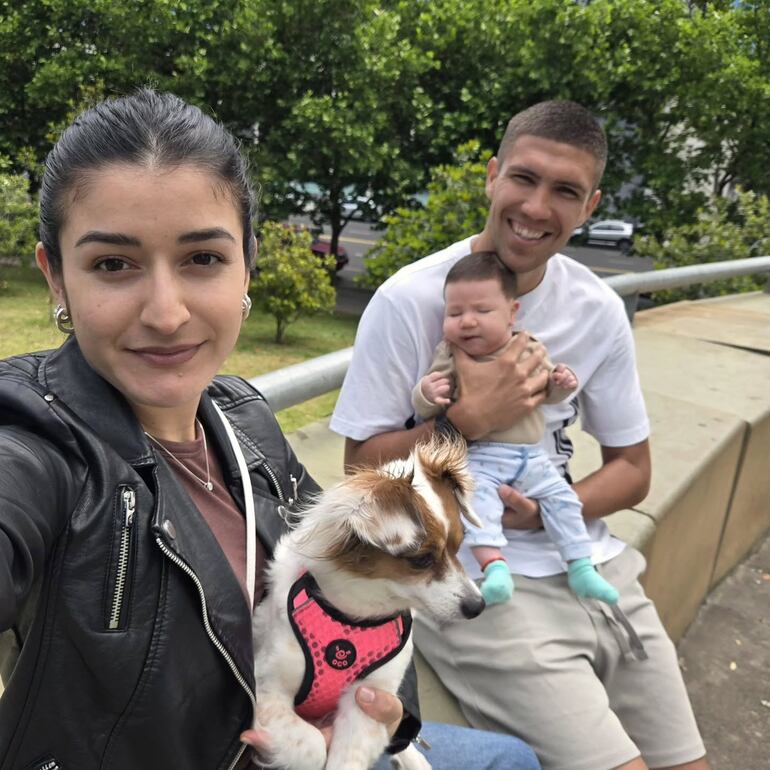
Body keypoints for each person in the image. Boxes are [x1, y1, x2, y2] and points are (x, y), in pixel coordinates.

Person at [0, 88, 540, 770]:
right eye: (114, 264)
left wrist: (383, 720)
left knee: (512, 759)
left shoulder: (242, 416)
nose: (166, 313)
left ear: (247, 266)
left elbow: (349, 583)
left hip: (311, 739)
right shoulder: (36, 442)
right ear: (56, 278)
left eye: (202, 259)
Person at [331, 100, 708, 770]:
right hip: (481, 585)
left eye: (565, 191)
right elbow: (359, 469)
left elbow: (633, 470)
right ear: (491, 175)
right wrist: (463, 423)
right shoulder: (409, 301)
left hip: (595, 568)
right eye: (524, 179)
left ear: (589, 206)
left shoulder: (596, 308)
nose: (537, 207)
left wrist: (544, 515)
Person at [412, 250, 619, 607]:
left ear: (512, 313)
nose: (468, 322)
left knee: (564, 499)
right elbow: (427, 406)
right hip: (482, 456)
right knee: (479, 507)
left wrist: (562, 383)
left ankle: (581, 566)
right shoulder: (449, 353)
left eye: (482, 311)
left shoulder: (530, 347)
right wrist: (427, 393)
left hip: (531, 456)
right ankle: (494, 568)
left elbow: (550, 395)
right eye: (455, 313)